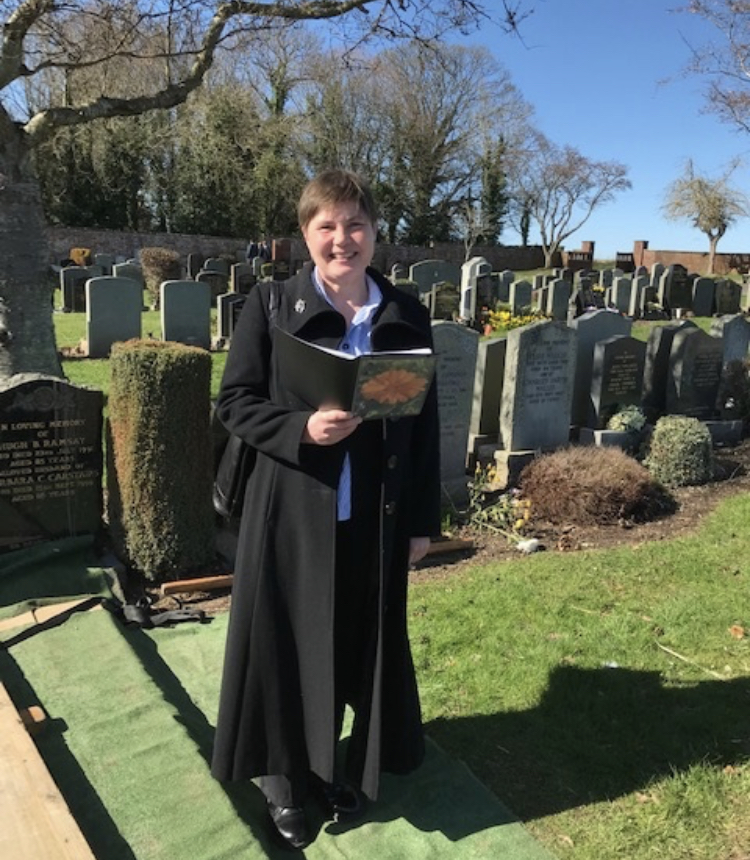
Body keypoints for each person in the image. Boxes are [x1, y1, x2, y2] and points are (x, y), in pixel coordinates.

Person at [210, 169, 441, 850]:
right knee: (284, 643)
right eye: (327, 226)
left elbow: (425, 425)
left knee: (352, 642)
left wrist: (423, 523)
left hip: (374, 515)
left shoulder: (405, 314)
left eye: (356, 225)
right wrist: (300, 430)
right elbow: (235, 402)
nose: (344, 239)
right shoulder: (271, 304)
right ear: (306, 234)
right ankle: (283, 779)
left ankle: (336, 764)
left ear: (374, 233)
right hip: (291, 511)